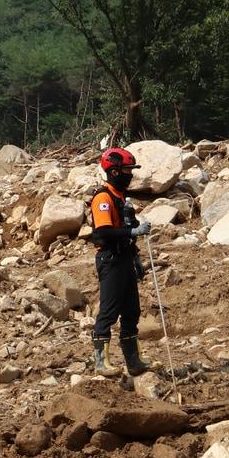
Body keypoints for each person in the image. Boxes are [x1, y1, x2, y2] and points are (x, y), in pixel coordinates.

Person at [89, 148, 154, 376]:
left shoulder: (121, 198)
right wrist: (133, 230)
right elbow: (105, 230)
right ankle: (101, 362)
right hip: (111, 258)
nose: (130, 175)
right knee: (108, 310)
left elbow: (127, 230)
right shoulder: (103, 198)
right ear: (114, 171)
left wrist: (135, 256)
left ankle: (133, 361)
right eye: (126, 170)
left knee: (132, 310)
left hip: (125, 257)